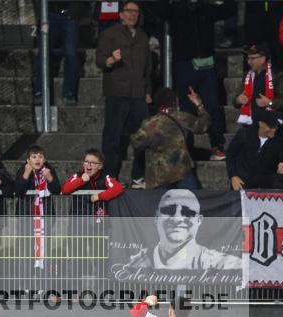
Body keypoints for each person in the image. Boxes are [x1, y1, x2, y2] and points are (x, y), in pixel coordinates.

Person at [159, 0, 236, 160]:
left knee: (212, 105)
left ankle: (217, 145)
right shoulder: (175, 8)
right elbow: (157, 9)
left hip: (206, 65)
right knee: (186, 108)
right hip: (184, 64)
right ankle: (187, 146)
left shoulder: (205, 8)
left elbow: (229, 9)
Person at [96, 1, 151, 187]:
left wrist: (148, 91)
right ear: (120, 14)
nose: (132, 15)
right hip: (117, 93)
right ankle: (109, 176)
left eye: (136, 11)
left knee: (143, 137)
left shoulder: (143, 37)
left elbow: (148, 69)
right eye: (129, 11)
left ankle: (138, 176)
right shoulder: (109, 34)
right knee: (112, 136)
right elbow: (100, 60)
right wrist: (111, 59)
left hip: (138, 95)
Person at [123, 189, 242, 270]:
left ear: (199, 220)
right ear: (156, 217)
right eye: (168, 211)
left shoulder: (228, 265)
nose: (177, 218)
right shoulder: (132, 266)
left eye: (187, 212)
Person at [130, 86, 210, 191]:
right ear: (174, 102)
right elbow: (204, 124)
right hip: (183, 172)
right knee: (190, 204)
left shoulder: (150, 123)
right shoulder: (182, 117)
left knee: (163, 206)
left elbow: (136, 142)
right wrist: (199, 105)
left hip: (159, 176)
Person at [33, 1, 87, 106]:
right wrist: (41, 15)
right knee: (43, 53)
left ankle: (69, 94)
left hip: (69, 15)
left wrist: (75, 12)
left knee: (71, 54)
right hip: (48, 15)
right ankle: (40, 92)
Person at [226, 109, 283, 191]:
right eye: (271, 126)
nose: (274, 129)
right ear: (261, 123)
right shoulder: (244, 134)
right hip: (243, 182)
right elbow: (230, 156)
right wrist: (233, 176)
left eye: (276, 126)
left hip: (268, 185)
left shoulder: (280, 140)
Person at [235, 43, 283, 124]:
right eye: (248, 58)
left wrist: (269, 103)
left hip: (272, 123)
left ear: (263, 59)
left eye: (252, 58)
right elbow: (235, 101)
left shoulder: (278, 75)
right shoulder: (247, 75)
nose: (249, 62)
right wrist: (238, 100)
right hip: (250, 122)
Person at [60, 148, 125, 216]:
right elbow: (64, 189)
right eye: (86, 161)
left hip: (97, 219)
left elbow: (118, 188)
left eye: (93, 162)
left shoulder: (104, 177)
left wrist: (99, 196)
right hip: (78, 218)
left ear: (100, 166)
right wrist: (81, 180)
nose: (89, 164)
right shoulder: (78, 175)